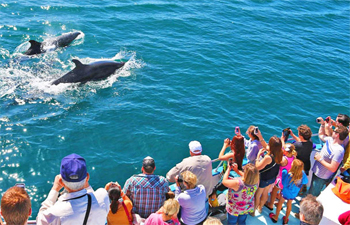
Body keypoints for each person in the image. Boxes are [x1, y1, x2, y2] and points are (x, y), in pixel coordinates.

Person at [36, 153, 110, 225]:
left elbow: (40, 220)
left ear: (61, 182)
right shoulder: (103, 196)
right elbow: (93, 201)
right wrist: (86, 184)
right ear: (87, 177)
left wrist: (55, 189)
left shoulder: (55, 213)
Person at [309, 124, 348, 197]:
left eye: (334, 131)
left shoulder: (339, 151)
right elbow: (321, 136)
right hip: (317, 172)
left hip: (321, 176)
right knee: (312, 190)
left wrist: (320, 159)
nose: (332, 131)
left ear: (337, 135)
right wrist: (322, 125)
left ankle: (308, 207)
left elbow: (333, 168)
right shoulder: (330, 140)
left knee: (312, 195)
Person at [269, 159, 308, 225]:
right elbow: (305, 181)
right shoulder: (302, 174)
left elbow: (284, 183)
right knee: (289, 205)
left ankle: (276, 217)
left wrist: (284, 172)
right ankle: (286, 219)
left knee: (280, 203)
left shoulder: (288, 174)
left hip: (285, 193)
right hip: (293, 194)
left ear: (293, 166)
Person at [254, 133, 283, 215]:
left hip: (265, 178)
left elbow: (258, 167)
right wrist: (260, 136)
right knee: (266, 192)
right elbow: (265, 146)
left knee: (258, 194)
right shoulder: (280, 153)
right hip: (272, 177)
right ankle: (260, 208)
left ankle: (254, 209)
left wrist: (258, 156)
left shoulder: (268, 157)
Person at [265, 143, 296, 211]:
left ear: (285, 151)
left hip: (280, 179)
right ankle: (279, 203)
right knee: (281, 191)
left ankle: (270, 205)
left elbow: (275, 160)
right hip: (287, 179)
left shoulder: (283, 159)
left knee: (274, 191)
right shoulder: (294, 157)